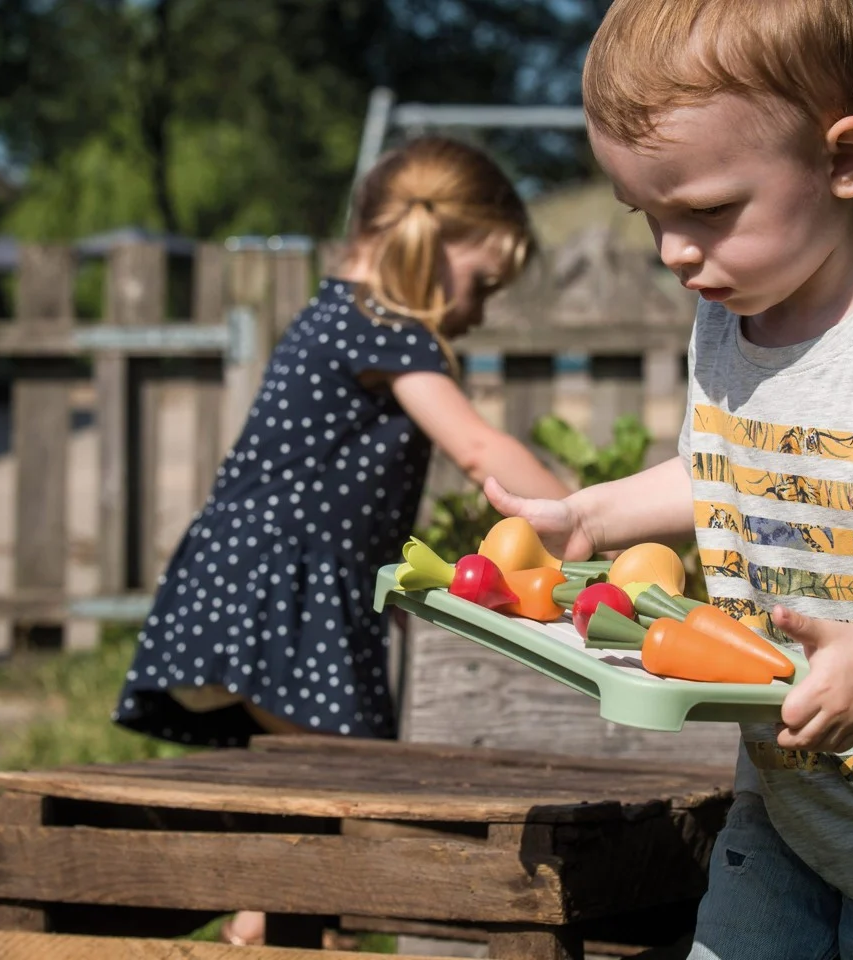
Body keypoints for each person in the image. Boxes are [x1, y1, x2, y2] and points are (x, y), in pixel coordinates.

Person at [484, 2, 853, 958]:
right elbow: (727, 470)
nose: (675, 251)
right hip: (795, 801)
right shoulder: (728, 320)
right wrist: (590, 514)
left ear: (845, 161)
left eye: (710, 211)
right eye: (651, 214)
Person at [114, 135, 571, 945]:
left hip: (244, 585)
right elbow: (475, 448)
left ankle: (269, 924)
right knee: (359, 798)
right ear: (432, 243)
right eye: (485, 280)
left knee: (314, 825)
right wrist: (581, 519)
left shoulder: (336, 316)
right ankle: (267, 925)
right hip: (281, 597)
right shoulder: (388, 327)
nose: (482, 308)